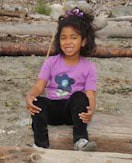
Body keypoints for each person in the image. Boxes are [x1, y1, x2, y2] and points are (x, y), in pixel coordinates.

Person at [25, 7, 98, 151]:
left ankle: (80, 141)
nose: (68, 42)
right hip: (53, 108)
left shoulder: (89, 67)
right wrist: (31, 95)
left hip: (72, 112)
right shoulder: (51, 62)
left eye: (74, 37)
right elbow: (40, 85)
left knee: (80, 96)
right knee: (38, 102)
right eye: (63, 37)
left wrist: (91, 110)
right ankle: (40, 145)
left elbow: (90, 93)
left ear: (83, 41)